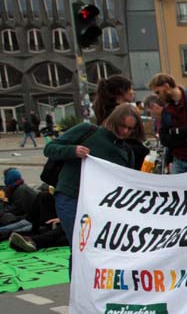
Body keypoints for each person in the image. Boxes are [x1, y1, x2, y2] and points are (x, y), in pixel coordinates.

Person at [42, 104, 141, 248]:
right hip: (72, 197)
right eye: (122, 126)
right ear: (114, 121)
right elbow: (50, 148)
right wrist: (72, 151)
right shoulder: (87, 130)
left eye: (130, 129)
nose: (125, 131)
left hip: (101, 205)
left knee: (96, 249)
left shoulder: (127, 151)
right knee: (79, 248)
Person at [149, 74, 187, 173]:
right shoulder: (167, 109)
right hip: (178, 160)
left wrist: (175, 133)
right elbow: (164, 138)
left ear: (166, 86)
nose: (158, 97)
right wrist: (186, 136)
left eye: (158, 92)